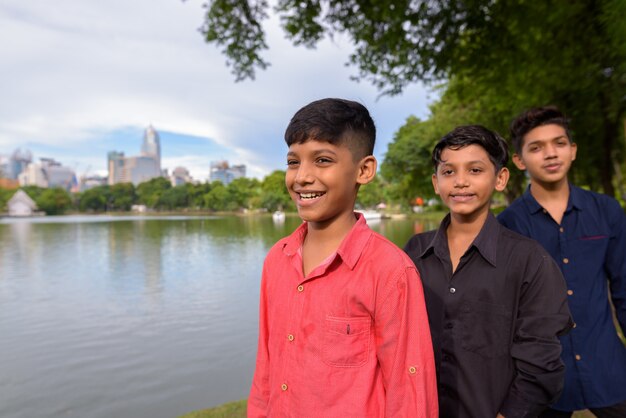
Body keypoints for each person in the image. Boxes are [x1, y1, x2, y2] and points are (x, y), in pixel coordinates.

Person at [247, 98, 438, 417]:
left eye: (322, 160)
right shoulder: (277, 260)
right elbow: (266, 369)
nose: (302, 177)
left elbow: (410, 392)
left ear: (363, 170)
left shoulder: (391, 271)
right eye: (294, 162)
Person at [404, 125, 573, 418]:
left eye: (475, 170)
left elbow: (541, 363)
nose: (460, 182)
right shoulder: (413, 254)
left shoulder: (530, 260)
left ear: (500, 178)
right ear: (435, 182)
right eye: (448, 172)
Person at [498, 106, 626, 417]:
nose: (551, 154)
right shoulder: (506, 226)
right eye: (536, 147)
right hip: (539, 375)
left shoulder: (607, 212)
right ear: (519, 161)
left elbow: (624, 290)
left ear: (573, 150)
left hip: (607, 366)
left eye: (559, 143)